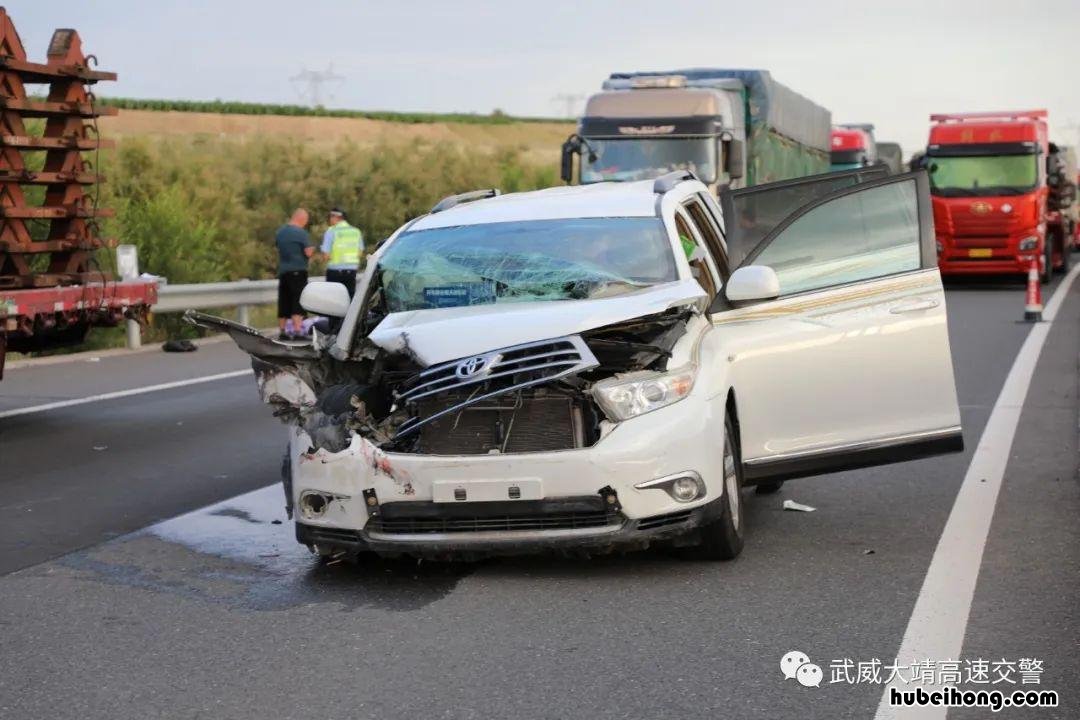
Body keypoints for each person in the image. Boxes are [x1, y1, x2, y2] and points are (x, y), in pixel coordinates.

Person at [275, 208, 314, 340]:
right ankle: (297, 330)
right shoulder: (301, 233)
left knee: (284, 300)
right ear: (302, 219)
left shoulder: (280, 232)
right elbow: (308, 252)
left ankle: (282, 330)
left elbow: (278, 248)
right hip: (298, 270)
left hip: (284, 270)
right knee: (297, 299)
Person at [321, 207, 363, 297]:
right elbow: (360, 252)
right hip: (351, 272)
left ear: (335, 217)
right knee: (349, 300)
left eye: (331, 217)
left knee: (334, 301)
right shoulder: (356, 231)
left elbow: (326, 255)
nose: (330, 219)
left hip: (335, 272)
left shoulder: (331, 231)